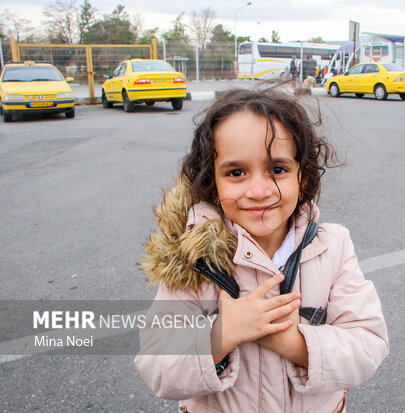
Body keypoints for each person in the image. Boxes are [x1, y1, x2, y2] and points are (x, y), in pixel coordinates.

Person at [135, 89, 389, 413]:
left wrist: (294, 343)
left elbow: (368, 342)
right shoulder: (193, 258)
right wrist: (224, 333)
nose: (258, 191)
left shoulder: (333, 248)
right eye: (236, 172)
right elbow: (156, 366)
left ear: (303, 176)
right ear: (212, 182)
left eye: (278, 169)